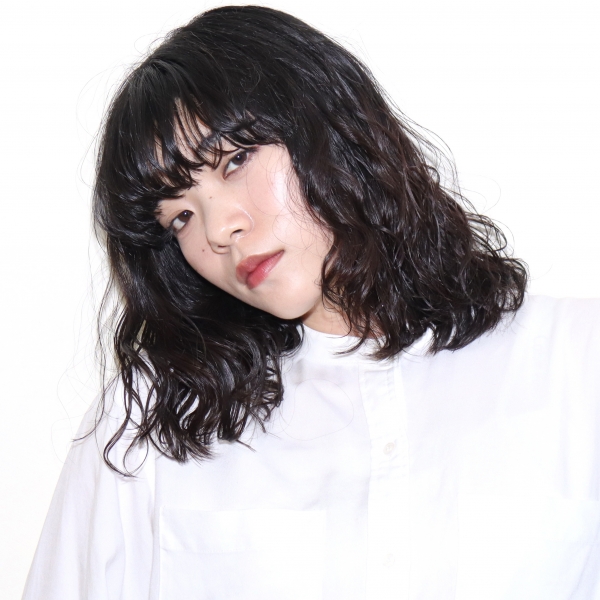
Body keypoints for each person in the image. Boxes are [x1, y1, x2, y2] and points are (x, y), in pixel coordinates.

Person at [23, 5, 600, 599]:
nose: (218, 229)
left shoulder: (578, 362)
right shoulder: (153, 418)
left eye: (235, 160)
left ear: (330, 122)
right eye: (181, 217)